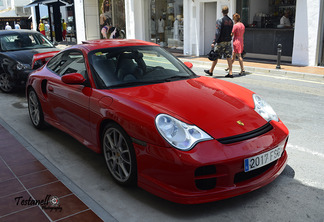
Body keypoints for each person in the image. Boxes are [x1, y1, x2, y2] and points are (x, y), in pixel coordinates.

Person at [204, 6, 234, 78]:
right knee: (229, 57)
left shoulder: (220, 20)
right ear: (228, 11)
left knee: (215, 56)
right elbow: (231, 32)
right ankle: (230, 73)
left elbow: (217, 33)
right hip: (228, 41)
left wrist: (214, 42)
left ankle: (211, 71)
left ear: (221, 11)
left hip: (221, 42)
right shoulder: (231, 21)